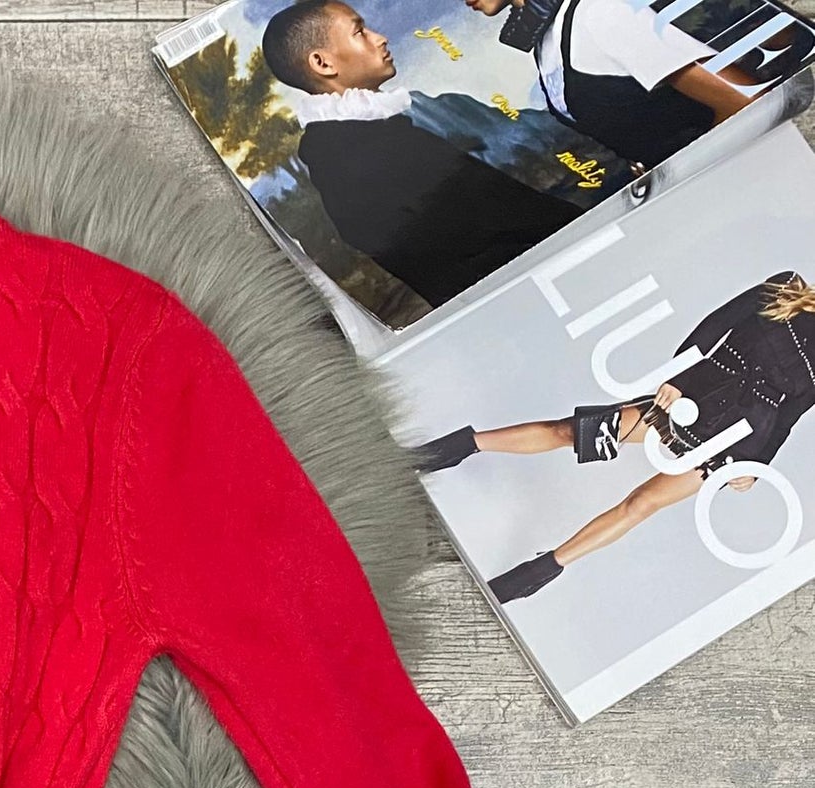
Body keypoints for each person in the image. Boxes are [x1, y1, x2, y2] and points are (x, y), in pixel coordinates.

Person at [408, 269, 815, 600]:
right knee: (569, 432)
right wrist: (676, 377)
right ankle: (458, 447)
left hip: (734, 441)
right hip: (694, 396)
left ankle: (534, 574)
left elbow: (787, 418)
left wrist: (755, 467)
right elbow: (714, 326)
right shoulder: (787, 287)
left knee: (641, 504)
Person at [263, 0, 583, 308]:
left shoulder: (342, 149)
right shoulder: (367, 151)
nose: (380, 38)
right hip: (540, 287)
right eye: (359, 32)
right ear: (322, 63)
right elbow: (510, 213)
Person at [462, 0, 755, 171]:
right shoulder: (546, 45)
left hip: (739, 172)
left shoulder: (598, 12)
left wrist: (689, 167)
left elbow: (747, 101)